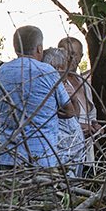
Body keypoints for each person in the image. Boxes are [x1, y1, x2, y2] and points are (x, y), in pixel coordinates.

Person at [0, 26, 77, 170]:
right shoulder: (47, 71)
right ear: (39, 48)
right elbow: (69, 111)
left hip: (9, 155)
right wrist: (50, 113)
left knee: (10, 192)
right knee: (42, 193)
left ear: (15, 48)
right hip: (42, 155)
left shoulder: (3, 70)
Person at [56, 36, 101, 169]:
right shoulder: (56, 83)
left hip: (86, 152)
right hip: (65, 153)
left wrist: (95, 126)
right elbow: (54, 118)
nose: (70, 58)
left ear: (81, 56)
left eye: (74, 54)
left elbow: (90, 115)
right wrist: (79, 126)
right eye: (67, 54)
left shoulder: (84, 83)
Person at [42, 46, 87, 175]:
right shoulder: (48, 89)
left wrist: (73, 99)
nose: (64, 72)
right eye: (60, 68)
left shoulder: (66, 85)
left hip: (74, 155)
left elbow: (74, 116)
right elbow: (63, 114)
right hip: (60, 155)